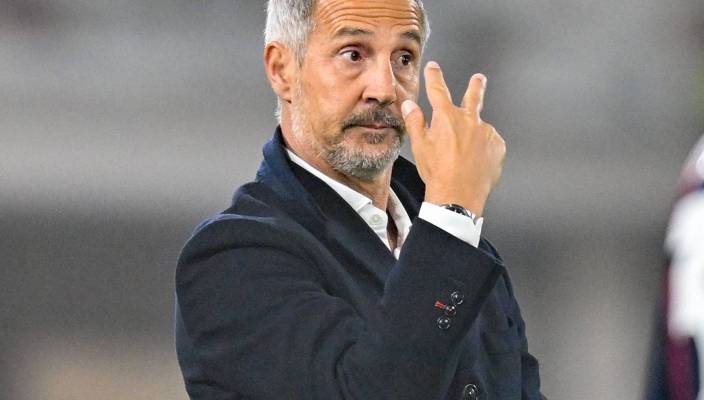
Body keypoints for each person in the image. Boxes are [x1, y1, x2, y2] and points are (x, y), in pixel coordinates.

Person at [175, 1, 543, 399]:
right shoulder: (231, 259)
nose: (384, 90)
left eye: (404, 58)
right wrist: (454, 212)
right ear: (282, 70)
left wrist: (453, 219)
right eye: (353, 54)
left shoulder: (464, 245)